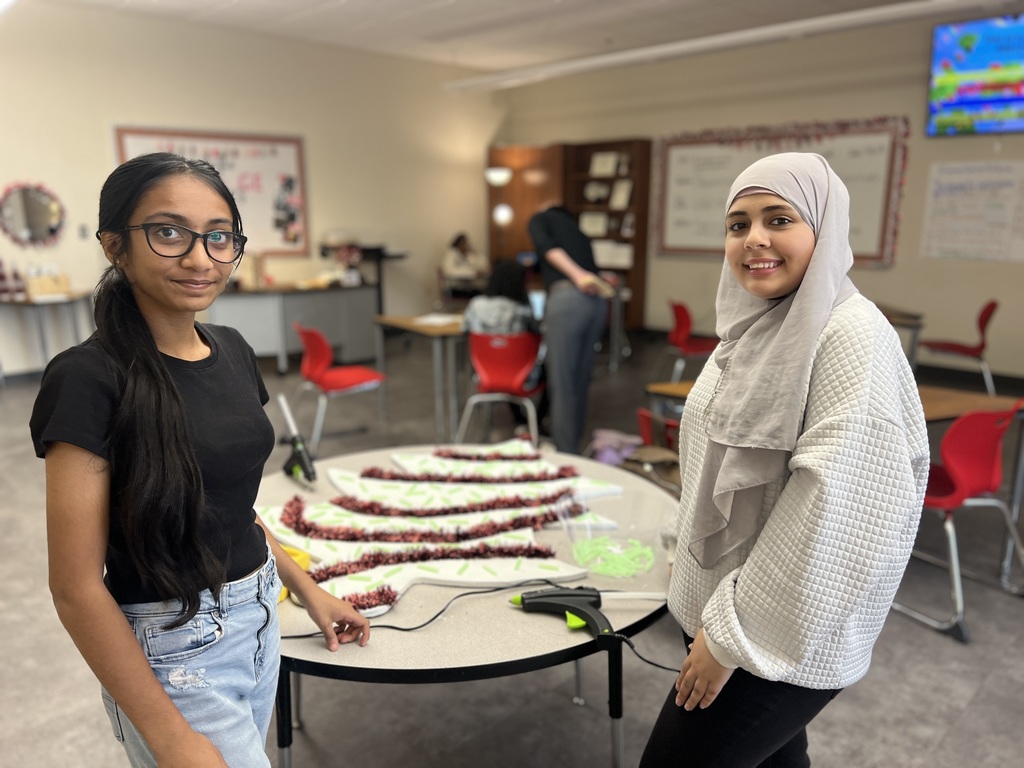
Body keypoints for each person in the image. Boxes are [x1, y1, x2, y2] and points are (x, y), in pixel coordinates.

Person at [29, 153, 370, 768]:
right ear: (114, 245)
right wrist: (172, 737)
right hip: (174, 646)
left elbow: (232, 509)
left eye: (219, 237)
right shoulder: (88, 377)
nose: (199, 258)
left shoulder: (234, 350)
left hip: (260, 615)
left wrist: (305, 588)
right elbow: (75, 588)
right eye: (168, 232)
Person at [640, 153, 928, 767]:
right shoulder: (753, 326)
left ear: (824, 231)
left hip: (777, 633)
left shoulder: (850, 335)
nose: (755, 240)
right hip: (725, 611)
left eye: (780, 219)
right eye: (738, 224)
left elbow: (838, 514)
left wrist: (730, 637)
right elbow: (706, 453)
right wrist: (681, 551)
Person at [527, 202, 613, 454]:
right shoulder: (578, 232)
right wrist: (588, 277)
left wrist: (577, 276)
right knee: (579, 382)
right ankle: (573, 449)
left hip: (567, 301)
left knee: (562, 383)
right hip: (595, 305)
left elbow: (547, 248)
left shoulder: (540, 218)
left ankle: (565, 456)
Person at [462, 259, 545, 426]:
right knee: (540, 368)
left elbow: (465, 330)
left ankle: (520, 420)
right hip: (519, 375)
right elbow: (538, 335)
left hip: (483, 374)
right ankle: (534, 422)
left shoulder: (475, 305)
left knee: (504, 361)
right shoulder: (522, 311)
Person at [440, 232, 490, 300]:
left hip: (468, 288)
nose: (466, 245)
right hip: (454, 289)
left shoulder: (468, 255)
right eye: (464, 243)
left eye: (467, 243)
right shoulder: (451, 254)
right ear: (458, 244)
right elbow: (450, 271)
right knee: (479, 297)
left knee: (485, 294)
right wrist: (473, 273)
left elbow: (484, 266)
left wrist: (475, 254)